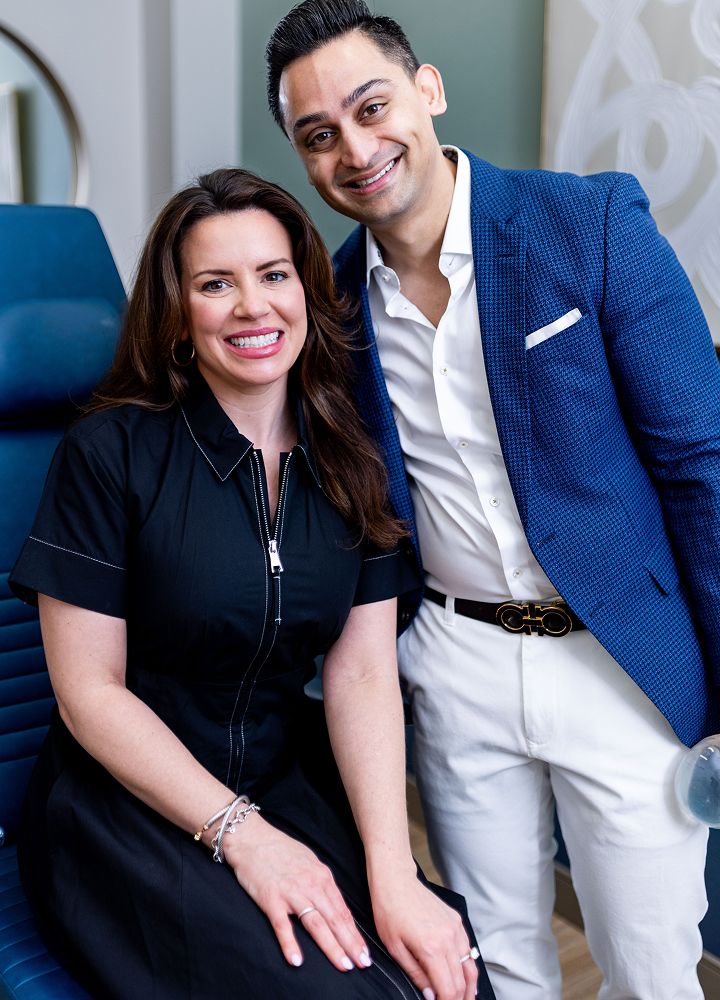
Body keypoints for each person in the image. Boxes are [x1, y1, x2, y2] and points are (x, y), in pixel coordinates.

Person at [265, 3, 720, 998]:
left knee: (649, 962)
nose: (355, 147)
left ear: (427, 91)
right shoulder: (330, 313)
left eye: (371, 105)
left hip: (618, 659)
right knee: (494, 965)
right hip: (457, 663)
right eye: (319, 134)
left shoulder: (588, 222)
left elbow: (703, 462)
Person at [10, 168, 496, 1000]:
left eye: (273, 275)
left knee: (444, 975)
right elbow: (90, 693)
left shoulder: (350, 461)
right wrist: (245, 838)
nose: (252, 306)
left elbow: (363, 671)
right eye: (214, 284)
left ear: (307, 289)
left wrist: (393, 872)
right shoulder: (109, 454)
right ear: (178, 311)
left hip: (280, 779)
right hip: (124, 810)